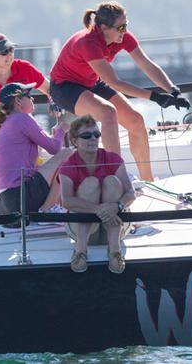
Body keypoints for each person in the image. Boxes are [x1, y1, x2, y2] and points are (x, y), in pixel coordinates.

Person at [48, 1, 190, 182]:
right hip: (65, 87)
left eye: (126, 25)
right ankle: (115, 176)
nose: (125, 31)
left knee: (136, 120)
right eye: (121, 27)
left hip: (91, 82)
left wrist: (172, 90)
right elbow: (116, 83)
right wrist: (156, 97)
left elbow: (146, 64)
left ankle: (148, 180)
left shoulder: (122, 37)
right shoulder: (88, 43)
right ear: (104, 28)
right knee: (108, 112)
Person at [58, 115, 136, 274]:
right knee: (90, 184)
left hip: (114, 228)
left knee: (112, 181)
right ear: (74, 141)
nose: (93, 138)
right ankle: (81, 251)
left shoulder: (112, 158)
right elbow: (66, 201)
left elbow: (130, 193)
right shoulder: (68, 165)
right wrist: (101, 209)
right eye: (86, 135)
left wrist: (117, 206)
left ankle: (115, 251)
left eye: (96, 134)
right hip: (83, 230)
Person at [0, 33, 51, 172]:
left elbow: (50, 90)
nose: (9, 55)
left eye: (11, 50)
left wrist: (55, 105)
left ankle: (33, 185)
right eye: (4, 52)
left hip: (23, 126)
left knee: (43, 148)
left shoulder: (25, 68)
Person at [0, 82, 72, 222]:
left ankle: (53, 206)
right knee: (68, 154)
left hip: (3, 205)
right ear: (18, 101)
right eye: (29, 95)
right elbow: (54, 149)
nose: (33, 98)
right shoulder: (22, 118)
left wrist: (56, 135)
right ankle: (47, 210)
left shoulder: (7, 123)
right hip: (18, 198)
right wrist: (62, 130)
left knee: (57, 161)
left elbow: (51, 147)